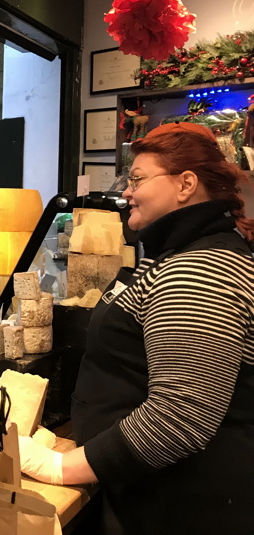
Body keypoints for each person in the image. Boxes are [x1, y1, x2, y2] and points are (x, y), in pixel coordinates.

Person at [18, 122, 254, 534]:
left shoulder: (198, 269)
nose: (126, 192)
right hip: (149, 489)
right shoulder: (175, 252)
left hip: (185, 504)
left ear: (185, 185)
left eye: (138, 179)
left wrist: (60, 467)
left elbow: (179, 417)